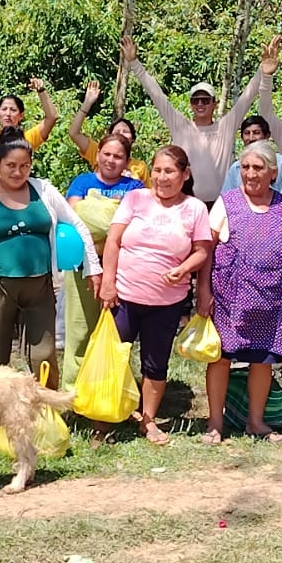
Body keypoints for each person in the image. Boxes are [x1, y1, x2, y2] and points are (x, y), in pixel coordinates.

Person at [0, 132, 100, 387]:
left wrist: (93, 267)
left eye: (25, 166)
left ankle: (47, 414)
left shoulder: (44, 190)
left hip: (39, 288)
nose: (17, 172)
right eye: (10, 165)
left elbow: (76, 224)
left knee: (43, 357)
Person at [99, 145, 212, 443]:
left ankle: (147, 420)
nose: (162, 178)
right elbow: (113, 242)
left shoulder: (195, 208)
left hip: (167, 302)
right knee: (113, 357)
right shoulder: (135, 198)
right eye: (158, 170)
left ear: (185, 174)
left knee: (155, 363)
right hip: (123, 296)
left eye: (170, 171)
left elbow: (203, 251)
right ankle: (104, 419)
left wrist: (184, 268)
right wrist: (107, 282)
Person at [198, 140, 282, 444]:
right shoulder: (227, 202)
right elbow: (207, 248)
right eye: (245, 167)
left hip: (274, 298)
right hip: (230, 297)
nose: (250, 173)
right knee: (221, 359)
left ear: (273, 173)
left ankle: (255, 422)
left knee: (263, 360)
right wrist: (203, 290)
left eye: (258, 167)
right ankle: (215, 423)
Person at [123, 34, 280, 206]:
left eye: (205, 100)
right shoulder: (180, 126)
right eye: (195, 100)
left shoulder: (225, 127)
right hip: (185, 201)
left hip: (221, 204)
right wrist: (134, 63)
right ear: (190, 105)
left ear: (214, 103)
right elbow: (157, 95)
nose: (200, 104)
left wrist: (262, 71)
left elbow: (247, 97)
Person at [61, 134, 146, 388]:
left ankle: (111, 392)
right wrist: (113, 220)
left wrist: (93, 213)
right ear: (97, 155)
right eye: (106, 154)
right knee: (80, 331)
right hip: (81, 267)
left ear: (127, 161)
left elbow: (135, 227)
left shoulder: (136, 188)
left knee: (117, 333)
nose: (111, 160)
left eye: (118, 156)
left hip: (122, 269)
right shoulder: (82, 182)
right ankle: (74, 394)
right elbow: (75, 220)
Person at [69, 80, 149, 182]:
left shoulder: (140, 166)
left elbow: (147, 194)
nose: (121, 134)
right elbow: (74, 133)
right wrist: (87, 103)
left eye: (125, 131)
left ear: (132, 139)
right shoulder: (99, 152)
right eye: (117, 131)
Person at [220, 116, 282, 197]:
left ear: (267, 136)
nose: (251, 138)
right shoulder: (236, 167)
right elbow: (226, 199)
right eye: (247, 133)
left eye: (256, 132)